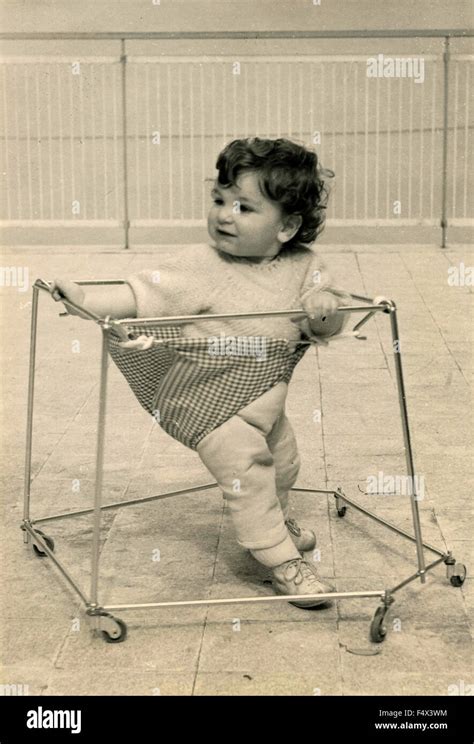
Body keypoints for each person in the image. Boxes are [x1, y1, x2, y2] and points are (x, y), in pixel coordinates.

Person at [51, 137, 352, 608]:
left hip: (265, 401)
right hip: (208, 405)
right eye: (218, 200)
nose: (224, 215)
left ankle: (276, 521)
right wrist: (86, 302)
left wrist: (324, 309)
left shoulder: (304, 268)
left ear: (287, 227)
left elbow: (333, 321)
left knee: (285, 464)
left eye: (244, 207)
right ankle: (279, 561)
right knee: (250, 475)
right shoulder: (199, 265)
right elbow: (139, 297)